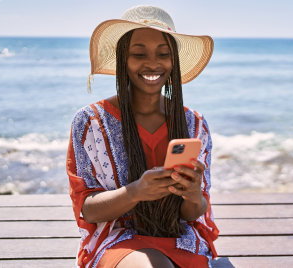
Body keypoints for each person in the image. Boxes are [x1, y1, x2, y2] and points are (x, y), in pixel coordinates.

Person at [66, 5, 218, 268]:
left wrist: (193, 195)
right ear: (123, 59)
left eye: (164, 54)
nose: (152, 63)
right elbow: (87, 210)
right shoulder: (91, 122)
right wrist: (134, 192)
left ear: (174, 61)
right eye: (139, 54)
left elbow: (193, 212)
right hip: (117, 239)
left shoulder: (194, 124)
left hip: (180, 238)